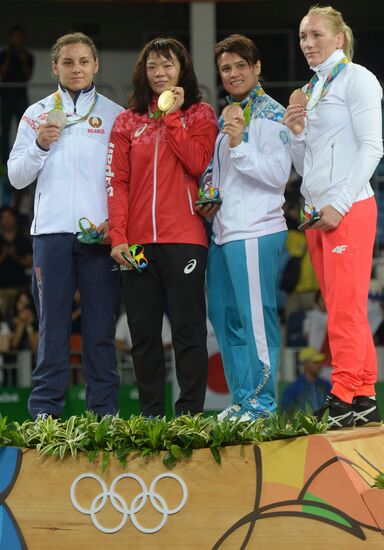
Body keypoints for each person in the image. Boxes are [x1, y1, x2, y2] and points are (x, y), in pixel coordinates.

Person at [7, 32, 123, 420]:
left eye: (84, 61)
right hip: (50, 234)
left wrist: (117, 224)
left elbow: (126, 178)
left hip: (100, 234)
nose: (77, 69)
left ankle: (104, 411)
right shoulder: (35, 114)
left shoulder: (114, 115)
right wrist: (39, 144)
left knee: (100, 327)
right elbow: (16, 177)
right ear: (54, 66)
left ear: (96, 66)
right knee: (52, 327)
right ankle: (45, 413)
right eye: (68, 62)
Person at [284, 5, 383, 429]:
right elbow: (306, 168)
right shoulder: (312, 88)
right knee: (345, 309)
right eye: (304, 36)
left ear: (339, 39)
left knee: (343, 309)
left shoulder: (357, 78)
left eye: (316, 35)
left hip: (348, 208)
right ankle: (363, 396)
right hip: (317, 214)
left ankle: (342, 395)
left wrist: (339, 204)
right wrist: (296, 133)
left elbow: (372, 147)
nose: (308, 43)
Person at [107, 37, 217, 417]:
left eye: (167, 65)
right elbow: (117, 182)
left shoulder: (200, 114)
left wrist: (172, 114)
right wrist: (118, 237)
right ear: (143, 71)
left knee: (188, 332)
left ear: (181, 70)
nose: (159, 73)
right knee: (143, 335)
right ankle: (151, 415)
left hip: (185, 239)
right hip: (136, 244)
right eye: (153, 66)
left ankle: (190, 416)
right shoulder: (127, 121)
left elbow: (198, 162)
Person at [197, 34, 291, 422]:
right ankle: (242, 401)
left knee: (255, 319)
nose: (233, 74)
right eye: (225, 68)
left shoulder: (272, 114)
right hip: (222, 232)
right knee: (223, 318)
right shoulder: (228, 114)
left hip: (255, 229)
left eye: (240, 66)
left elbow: (278, 175)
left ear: (256, 67)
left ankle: (264, 405)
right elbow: (220, 175)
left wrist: (237, 143)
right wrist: (207, 193)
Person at [0, 26, 34, 167]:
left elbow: (28, 76)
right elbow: (2, 74)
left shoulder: (28, 55)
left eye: (19, 37)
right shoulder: (4, 53)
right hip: (6, 97)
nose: (17, 40)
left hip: (21, 96)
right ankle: (4, 162)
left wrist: (23, 60)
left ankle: (23, 161)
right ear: (10, 38)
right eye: (14, 37)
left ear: (23, 38)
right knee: (5, 131)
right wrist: (9, 58)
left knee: (24, 130)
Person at [281, 346, 331, 417]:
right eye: (316, 362)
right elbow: (286, 414)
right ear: (306, 364)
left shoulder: (326, 385)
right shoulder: (293, 388)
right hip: (302, 427)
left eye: (320, 362)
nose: (320, 365)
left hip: (325, 426)